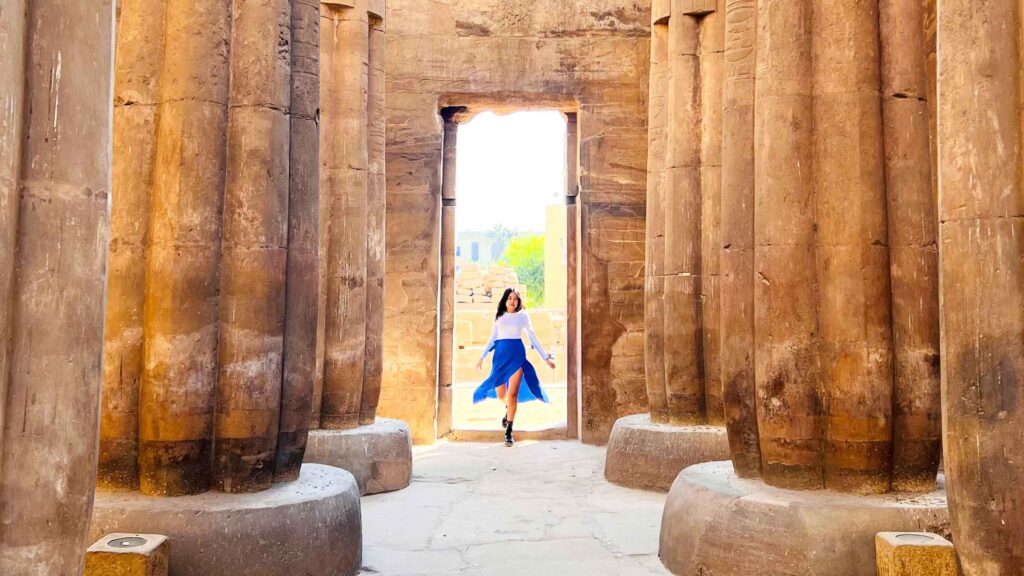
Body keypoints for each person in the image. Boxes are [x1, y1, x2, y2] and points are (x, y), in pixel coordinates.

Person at [474, 287, 557, 447]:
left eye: (516, 299)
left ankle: (509, 430)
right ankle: (508, 411)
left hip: (517, 357)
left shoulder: (523, 316)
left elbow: (533, 337)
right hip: (500, 358)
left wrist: (546, 357)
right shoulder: (499, 316)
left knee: (512, 395)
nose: (512, 301)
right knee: (501, 395)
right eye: (510, 298)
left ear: (519, 301)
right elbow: (493, 338)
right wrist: (482, 356)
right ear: (505, 300)